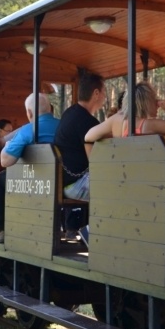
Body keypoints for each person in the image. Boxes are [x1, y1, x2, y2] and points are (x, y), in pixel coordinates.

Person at [0, 93, 60, 243]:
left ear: (29, 113)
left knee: (2, 178)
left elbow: (5, 161)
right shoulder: (62, 126)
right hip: (59, 181)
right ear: (50, 109)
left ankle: (0, 230)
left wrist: (3, 147)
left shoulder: (28, 130)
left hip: (35, 182)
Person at [55, 73, 105, 238]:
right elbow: (97, 160)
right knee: (117, 188)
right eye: (104, 92)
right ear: (96, 93)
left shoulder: (70, 113)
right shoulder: (86, 122)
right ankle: (91, 232)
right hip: (75, 185)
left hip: (67, 182)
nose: (105, 96)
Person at [85, 82, 165, 141]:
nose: (158, 104)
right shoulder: (151, 125)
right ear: (147, 103)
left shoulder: (116, 120)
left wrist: (112, 137)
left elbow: (88, 136)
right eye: (155, 100)